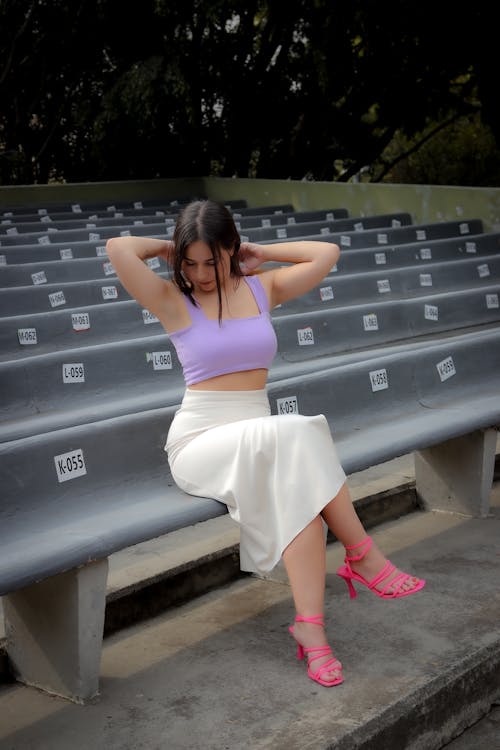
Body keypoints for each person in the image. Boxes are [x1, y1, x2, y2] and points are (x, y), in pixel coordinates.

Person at [106, 199, 425, 688]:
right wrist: (176, 246)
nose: (200, 273)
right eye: (189, 264)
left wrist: (260, 253)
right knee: (296, 431)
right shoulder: (172, 299)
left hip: (260, 435)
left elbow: (326, 253)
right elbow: (118, 248)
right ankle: (362, 555)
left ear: (231, 249)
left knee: (300, 492)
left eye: (211, 261)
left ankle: (311, 631)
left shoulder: (262, 287)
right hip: (201, 441)